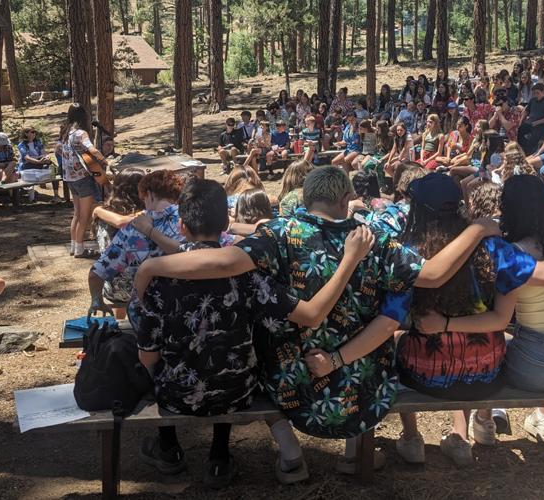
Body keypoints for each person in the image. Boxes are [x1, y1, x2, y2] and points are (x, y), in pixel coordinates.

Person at [131, 167, 512, 469]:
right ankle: (354, 453)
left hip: (293, 384)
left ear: (305, 198)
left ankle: (292, 454)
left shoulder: (280, 234)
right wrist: (478, 228)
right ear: (346, 199)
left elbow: (222, 261)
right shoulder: (372, 237)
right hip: (364, 389)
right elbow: (433, 274)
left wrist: (152, 266)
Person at [304, 173, 544, 464]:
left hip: (427, 373)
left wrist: (336, 360)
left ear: (417, 210)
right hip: (485, 374)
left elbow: (390, 321)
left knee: (394, 338)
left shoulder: (408, 254)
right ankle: (463, 432)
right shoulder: (494, 248)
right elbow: (539, 278)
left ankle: (411, 437)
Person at [136, 178, 376, 485]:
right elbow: (311, 314)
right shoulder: (250, 276)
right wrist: (349, 260)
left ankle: (168, 447)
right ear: (226, 224)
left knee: (157, 366)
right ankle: (219, 457)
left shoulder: (158, 280)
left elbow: (148, 355)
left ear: (182, 227)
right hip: (238, 392)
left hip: (176, 395)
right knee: (231, 353)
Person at [446, 175, 544, 444]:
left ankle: (483, 419)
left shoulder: (512, 252)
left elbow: (499, 320)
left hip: (532, 368)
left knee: (490, 345)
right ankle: (543, 417)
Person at [87, 170, 184, 326]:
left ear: (149, 194)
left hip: (148, 314)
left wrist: (97, 301)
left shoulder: (133, 228)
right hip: (190, 307)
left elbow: (97, 272)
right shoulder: (189, 219)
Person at [60, 105, 106, 258]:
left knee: (77, 213)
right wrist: (103, 159)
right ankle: (80, 250)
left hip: (70, 179)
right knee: (85, 216)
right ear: (83, 117)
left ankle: (74, 246)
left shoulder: (66, 132)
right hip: (83, 178)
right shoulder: (81, 133)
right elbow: (92, 149)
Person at [517, 82, 544, 154]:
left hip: (540, 125)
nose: (535, 95)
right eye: (534, 93)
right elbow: (526, 111)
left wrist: (537, 122)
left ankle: (529, 152)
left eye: (537, 93)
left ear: (543, 92)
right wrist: (520, 122)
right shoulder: (533, 100)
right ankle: (523, 148)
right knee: (518, 131)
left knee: (532, 140)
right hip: (530, 122)